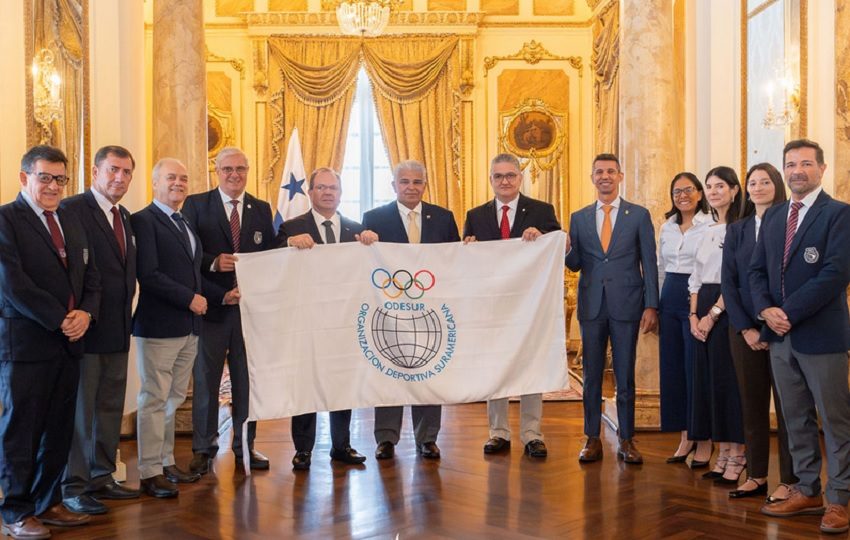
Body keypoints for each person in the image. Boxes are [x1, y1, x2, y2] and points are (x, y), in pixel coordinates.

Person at [0, 145, 101, 539]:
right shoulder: (6, 219)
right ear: (25, 178)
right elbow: (12, 285)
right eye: (45, 177)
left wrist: (86, 314)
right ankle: (15, 511)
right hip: (25, 346)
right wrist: (61, 318)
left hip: (69, 343)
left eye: (60, 179)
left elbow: (92, 278)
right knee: (22, 432)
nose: (53, 186)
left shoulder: (70, 221)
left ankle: (48, 501)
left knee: (58, 430)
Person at [751, 139, 850, 534]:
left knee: (835, 420)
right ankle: (807, 489)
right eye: (790, 164)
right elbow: (757, 271)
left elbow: (835, 274)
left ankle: (840, 498)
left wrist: (786, 312)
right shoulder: (775, 217)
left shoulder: (839, 215)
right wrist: (765, 311)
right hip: (779, 338)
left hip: (821, 336)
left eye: (806, 164)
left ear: (822, 170)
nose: (797, 171)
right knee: (794, 419)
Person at [275, 167, 378, 471]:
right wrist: (288, 245)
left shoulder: (356, 229)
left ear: (341, 193)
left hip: (344, 321)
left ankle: (341, 445)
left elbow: (370, 269)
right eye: (321, 187)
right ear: (311, 193)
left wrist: (373, 244)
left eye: (333, 188)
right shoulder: (291, 226)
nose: (328, 193)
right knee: (305, 381)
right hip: (306, 320)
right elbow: (273, 262)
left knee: (341, 382)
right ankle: (303, 449)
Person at [182, 147, 275, 474]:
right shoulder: (196, 204)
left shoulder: (261, 209)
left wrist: (292, 243)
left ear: (247, 171)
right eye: (227, 169)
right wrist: (212, 263)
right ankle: (204, 449)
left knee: (246, 382)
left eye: (240, 169)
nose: (234, 175)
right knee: (206, 381)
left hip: (250, 313)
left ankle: (245, 447)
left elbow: (271, 258)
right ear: (216, 171)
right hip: (212, 307)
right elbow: (187, 254)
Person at [463, 153, 561, 458]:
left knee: (530, 365)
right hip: (493, 308)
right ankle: (498, 432)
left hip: (530, 306)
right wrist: (467, 248)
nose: (504, 181)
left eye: (510, 175)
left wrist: (543, 237)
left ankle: (532, 434)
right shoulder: (475, 215)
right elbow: (465, 263)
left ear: (520, 177)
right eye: (498, 176)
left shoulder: (542, 211)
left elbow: (559, 247)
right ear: (490, 180)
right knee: (498, 366)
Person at [60, 146, 140, 515]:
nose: (119, 178)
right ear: (95, 171)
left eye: (126, 172)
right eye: (113, 170)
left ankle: (102, 476)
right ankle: (73, 486)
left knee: (110, 408)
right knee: (81, 415)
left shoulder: (124, 215)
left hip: (119, 330)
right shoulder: (73, 209)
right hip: (86, 332)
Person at [362, 160, 460, 461]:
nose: (411, 187)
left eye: (417, 182)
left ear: (425, 185)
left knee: (428, 372)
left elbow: (455, 259)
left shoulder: (443, 218)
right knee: (389, 372)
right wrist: (365, 242)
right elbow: (364, 264)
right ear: (394, 186)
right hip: (389, 310)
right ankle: (386, 438)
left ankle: (427, 438)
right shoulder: (374, 218)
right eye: (404, 182)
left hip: (430, 312)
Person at [565, 153, 659, 465]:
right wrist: (566, 251)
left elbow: (650, 262)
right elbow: (576, 264)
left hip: (628, 305)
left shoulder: (638, 215)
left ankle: (626, 439)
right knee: (591, 375)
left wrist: (651, 304)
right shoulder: (578, 218)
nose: (604, 176)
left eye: (610, 171)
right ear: (592, 178)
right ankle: (592, 438)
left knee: (624, 374)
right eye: (599, 172)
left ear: (620, 176)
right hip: (592, 306)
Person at [131, 158, 207, 498]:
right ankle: (149, 471)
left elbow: (193, 270)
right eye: (171, 178)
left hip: (189, 327)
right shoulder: (143, 221)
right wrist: (189, 298)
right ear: (155, 183)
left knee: (173, 399)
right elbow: (148, 274)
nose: (178, 183)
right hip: (159, 326)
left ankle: (165, 462)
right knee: (153, 399)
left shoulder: (184, 220)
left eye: (183, 178)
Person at [721, 163, 796, 501]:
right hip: (744, 332)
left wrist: (769, 327)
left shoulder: (789, 224)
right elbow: (730, 284)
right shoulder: (736, 230)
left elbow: (787, 281)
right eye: (753, 182)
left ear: (776, 185)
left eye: (766, 181)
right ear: (746, 190)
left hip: (782, 330)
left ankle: (791, 481)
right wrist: (747, 328)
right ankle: (757, 475)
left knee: (788, 408)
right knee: (751, 405)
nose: (759, 187)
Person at [687, 166, 746, 484]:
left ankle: (738, 454)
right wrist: (694, 316)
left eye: (720, 185)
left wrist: (712, 315)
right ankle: (722, 453)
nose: (713, 191)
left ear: (735, 190)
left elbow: (734, 278)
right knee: (710, 384)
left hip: (727, 306)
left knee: (729, 384)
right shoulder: (705, 229)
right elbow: (695, 277)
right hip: (704, 305)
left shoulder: (742, 228)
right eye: (708, 186)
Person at [657, 172, 711, 465]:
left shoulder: (710, 225)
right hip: (670, 297)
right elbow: (660, 268)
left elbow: (709, 268)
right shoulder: (667, 227)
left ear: (700, 193)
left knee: (696, 369)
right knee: (674, 370)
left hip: (697, 298)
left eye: (688, 190)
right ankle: (685, 435)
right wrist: (652, 305)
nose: (682, 196)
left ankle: (703, 439)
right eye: (676, 191)